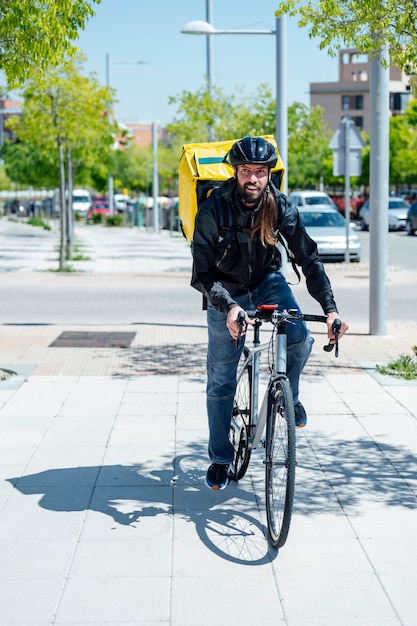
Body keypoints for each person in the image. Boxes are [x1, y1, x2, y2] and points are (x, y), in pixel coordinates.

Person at [191, 136, 348, 490]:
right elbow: (201, 274)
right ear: (235, 172)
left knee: (300, 338)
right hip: (225, 291)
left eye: (260, 172)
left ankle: (287, 398)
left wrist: (331, 309)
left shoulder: (279, 206)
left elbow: (308, 258)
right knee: (221, 380)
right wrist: (229, 307)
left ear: (269, 174)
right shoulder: (213, 210)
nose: (253, 179)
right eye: (246, 171)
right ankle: (219, 456)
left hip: (267, 283)